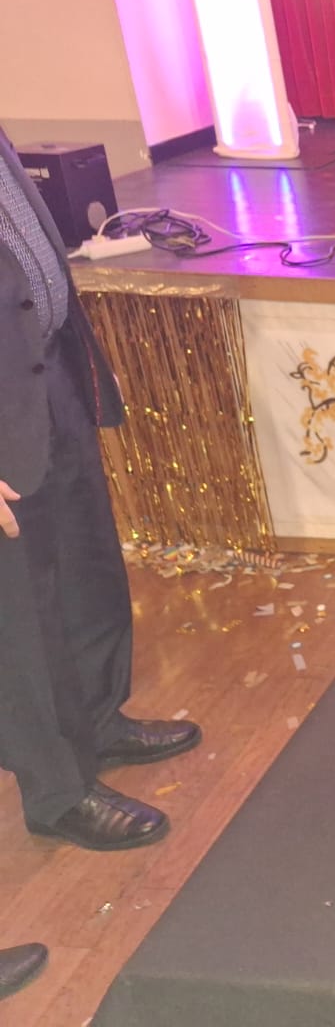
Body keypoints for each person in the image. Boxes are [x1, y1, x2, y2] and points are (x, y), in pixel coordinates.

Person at [0, 128, 198, 851]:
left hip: (49, 379)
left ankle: (99, 721)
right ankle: (57, 791)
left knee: (87, 572)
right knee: (23, 619)